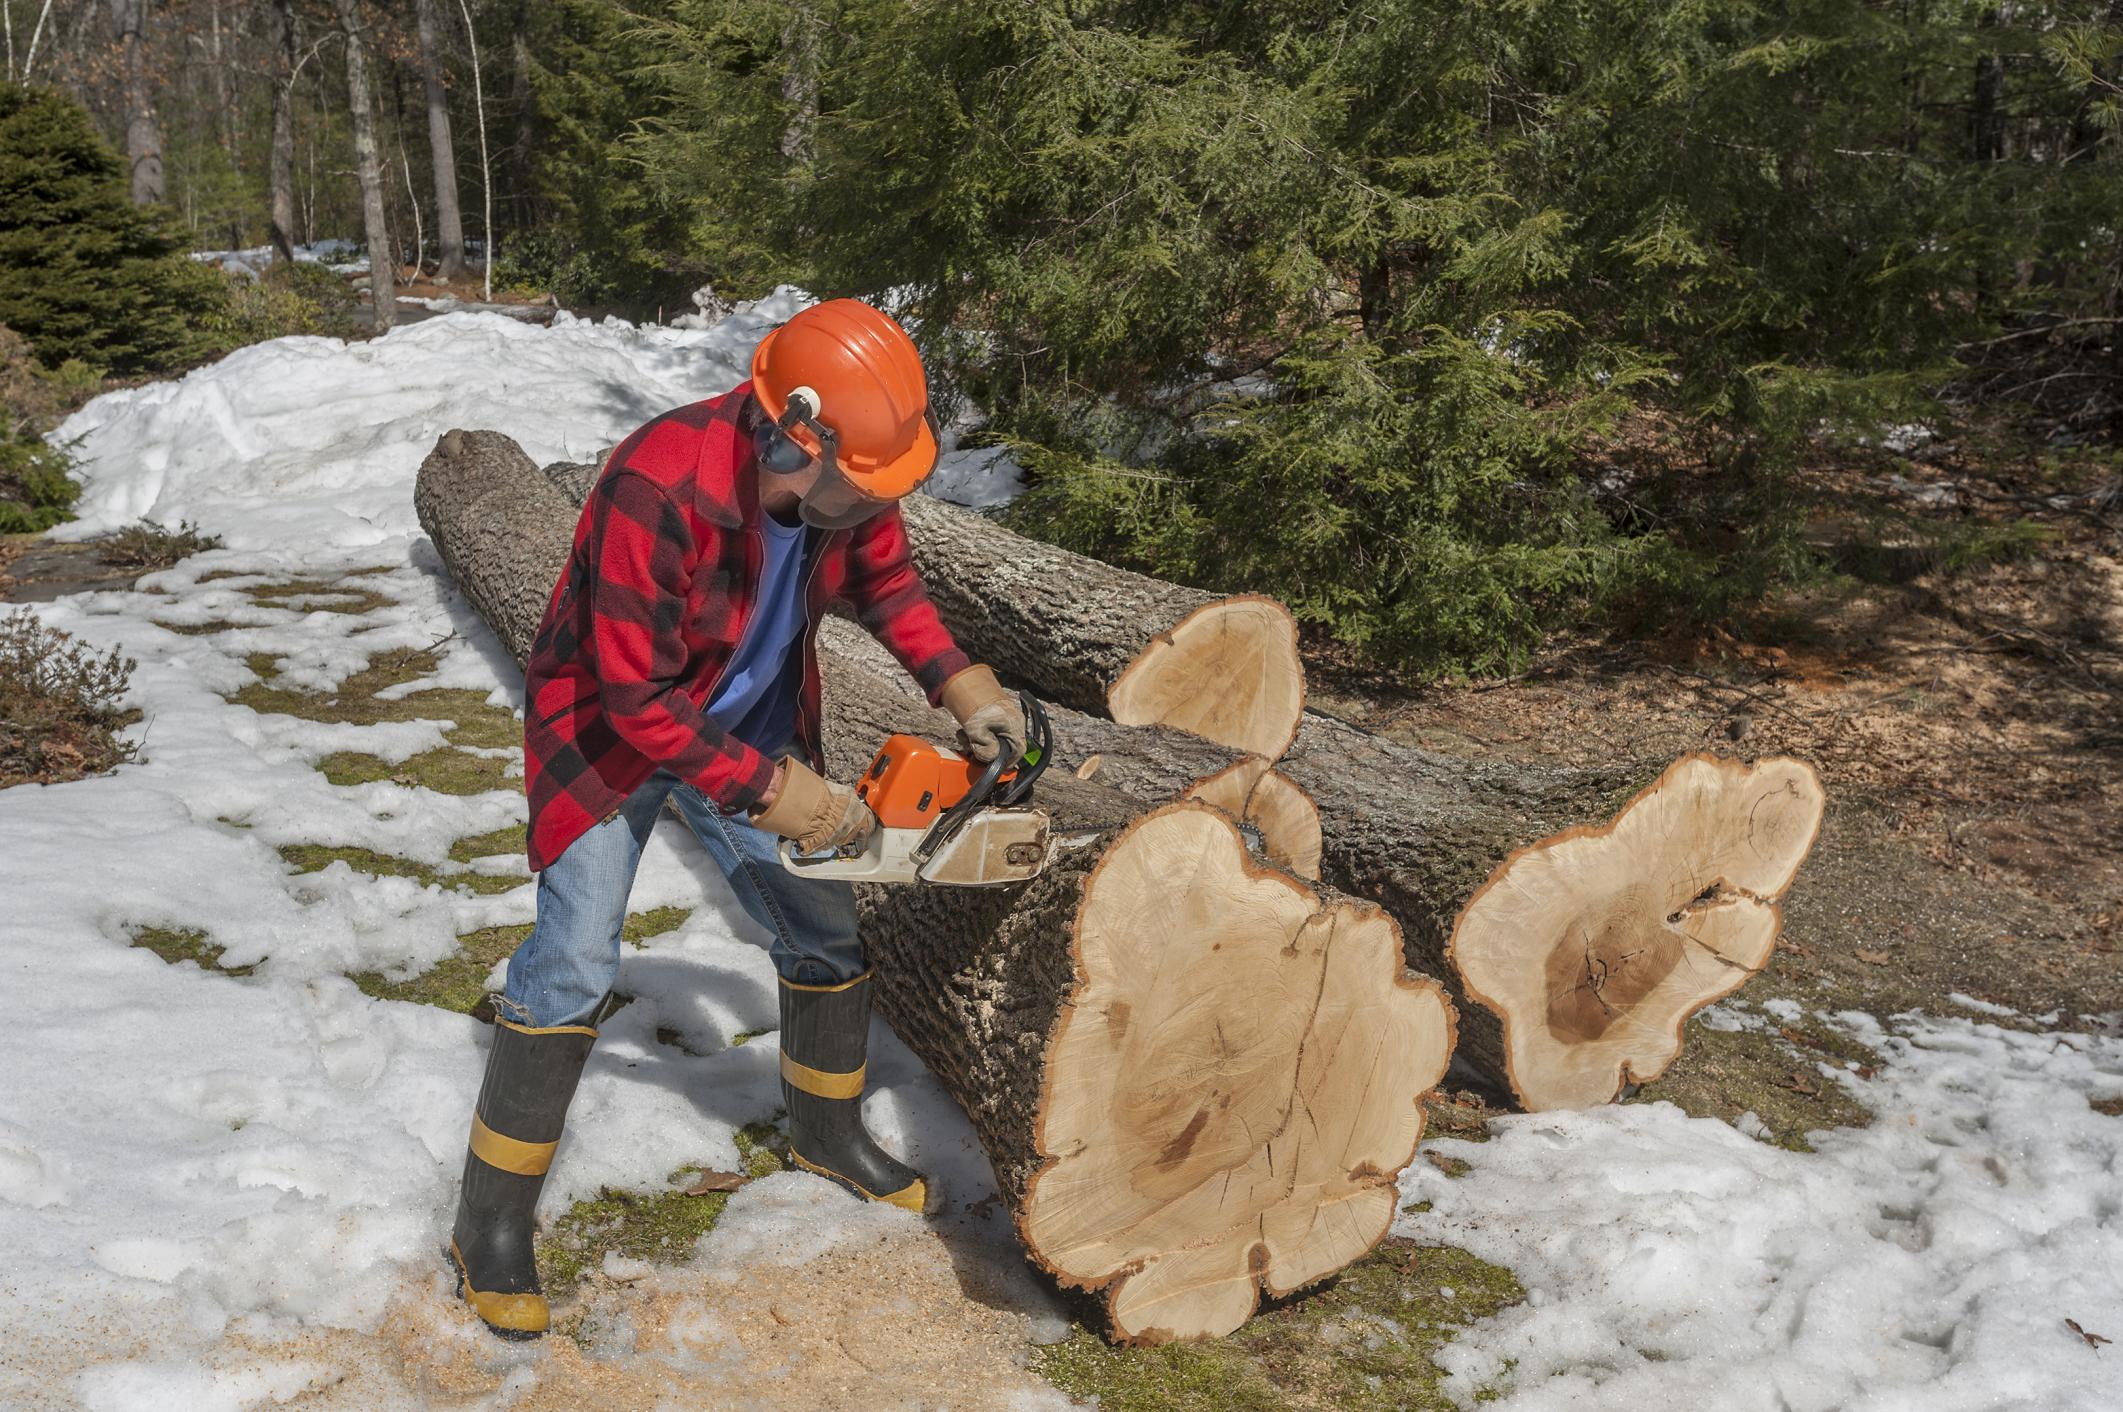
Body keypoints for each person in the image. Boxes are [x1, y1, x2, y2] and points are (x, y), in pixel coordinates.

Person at [445, 299, 1028, 1339]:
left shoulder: (845, 481)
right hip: (605, 736)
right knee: (574, 960)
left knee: (823, 927)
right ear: (791, 436)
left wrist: (963, 684)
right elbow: (635, 698)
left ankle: (825, 1134)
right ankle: (487, 1224)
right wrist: (779, 793)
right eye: (859, 483)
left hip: (750, 724)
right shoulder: (656, 485)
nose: (870, 503)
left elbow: (888, 583)